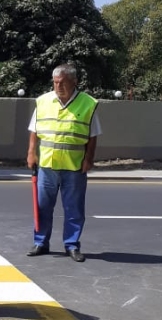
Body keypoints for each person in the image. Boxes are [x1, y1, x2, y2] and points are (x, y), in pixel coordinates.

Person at [26, 64, 102, 263]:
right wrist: (31, 153)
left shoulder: (87, 103)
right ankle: (41, 242)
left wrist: (89, 158)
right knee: (42, 206)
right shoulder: (43, 101)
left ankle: (72, 245)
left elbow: (92, 136)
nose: (58, 86)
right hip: (47, 165)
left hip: (74, 167)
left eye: (63, 82)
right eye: (55, 82)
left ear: (74, 82)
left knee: (74, 209)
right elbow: (34, 130)